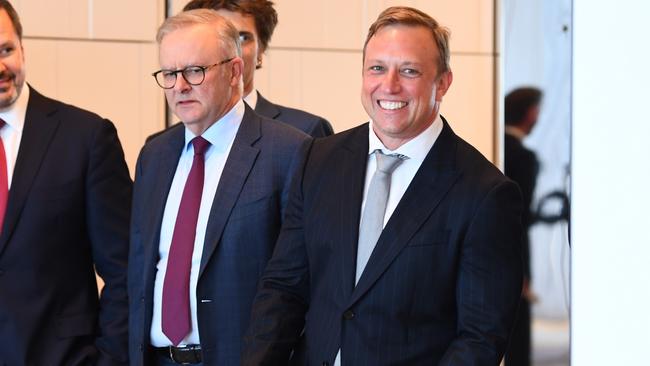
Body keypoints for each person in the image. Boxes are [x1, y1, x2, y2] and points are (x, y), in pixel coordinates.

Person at [243, 6, 524, 366]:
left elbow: (480, 337)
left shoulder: (485, 193)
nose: (389, 86)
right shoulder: (318, 159)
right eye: (377, 68)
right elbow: (283, 289)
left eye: (409, 71)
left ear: (443, 82)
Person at [127, 9, 309, 366]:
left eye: (195, 71)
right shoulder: (154, 154)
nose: (180, 86)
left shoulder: (289, 152)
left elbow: (302, 282)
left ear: (235, 71)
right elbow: (137, 270)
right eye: (169, 73)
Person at [0, 1, 132, 365]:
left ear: (22, 48)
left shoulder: (86, 137)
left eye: (5, 50)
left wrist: (108, 359)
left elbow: (125, 271)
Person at [147, 0, 333, 142]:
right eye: (217, 39)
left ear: (261, 48)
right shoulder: (157, 148)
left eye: (241, 38)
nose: (230, 48)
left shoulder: (304, 132)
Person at [503, 87, 542, 366]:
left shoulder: (493, 146)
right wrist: (523, 270)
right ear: (531, 113)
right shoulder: (524, 157)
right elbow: (519, 217)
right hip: (513, 252)